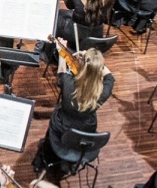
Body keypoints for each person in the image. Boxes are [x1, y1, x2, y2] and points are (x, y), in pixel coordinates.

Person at [35, 47, 113, 178]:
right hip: (85, 133)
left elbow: (61, 74)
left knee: (55, 116)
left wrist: (61, 53)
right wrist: (95, 63)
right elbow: (109, 76)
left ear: (83, 64)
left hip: (62, 130)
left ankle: (49, 152)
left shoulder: (68, 83)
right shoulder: (103, 92)